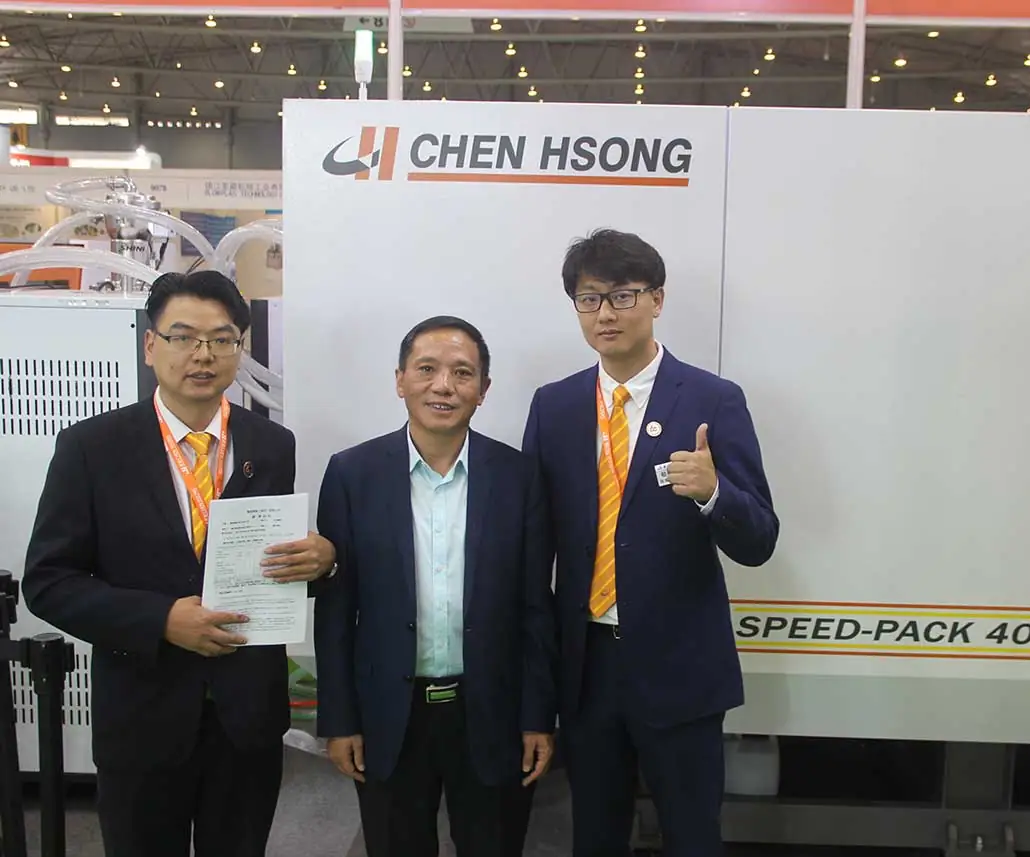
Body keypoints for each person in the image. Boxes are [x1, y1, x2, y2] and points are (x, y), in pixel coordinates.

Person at [22, 270, 337, 857]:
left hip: (246, 717)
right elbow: (49, 582)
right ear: (150, 345)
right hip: (142, 716)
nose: (203, 354)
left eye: (221, 339)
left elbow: (269, 567)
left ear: (239, 348)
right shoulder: (92, 448)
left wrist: (319, 563)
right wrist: (161, 620)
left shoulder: (272, 445)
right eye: (184, 337)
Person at [522, 229, 779, 857]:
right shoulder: (555, 407)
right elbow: (533, 547)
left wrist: (715, 493)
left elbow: (760, 539)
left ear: (657, 299)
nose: (605, 314)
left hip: (680, 666)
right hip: (587, 668)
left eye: (622, 295)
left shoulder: (713, 399)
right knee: (595, 836)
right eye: (589, 299)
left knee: (692, 837)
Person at [313, 315, 557, 857]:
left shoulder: (519, 478)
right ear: (400, 380)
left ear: (483, 390)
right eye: (426, 369)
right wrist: (339, 719)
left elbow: (536, 608)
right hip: (387, 715)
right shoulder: (352, 474)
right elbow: (336, 608)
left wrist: (538, 716)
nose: (443, 386)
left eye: (462, 373)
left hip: (491, 711)